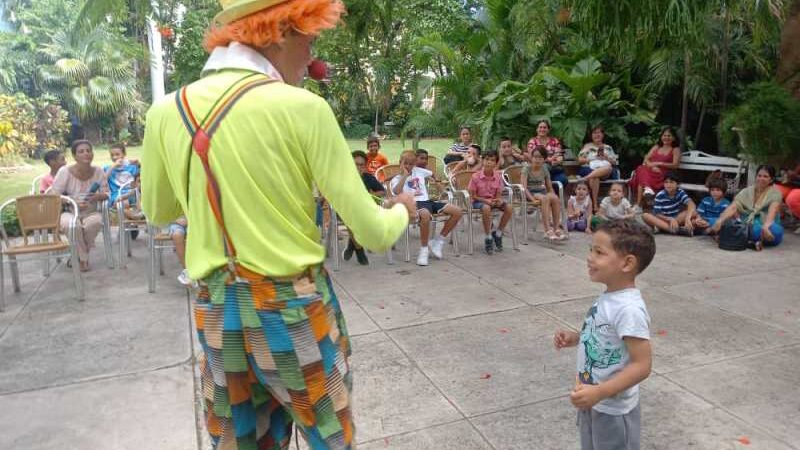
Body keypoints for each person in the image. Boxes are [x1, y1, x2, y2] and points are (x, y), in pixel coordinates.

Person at [141, 1, 416, 448]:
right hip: (292, 310)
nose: (313, 57)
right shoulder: (303, 108)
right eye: (310, 38)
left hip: (217, 311)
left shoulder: (165, 112)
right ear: (279, 31)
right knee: (330, 439)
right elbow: (373, 233)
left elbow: (158, 210)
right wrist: (403, 205)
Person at [554, 219, 654, 450]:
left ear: (627, 263)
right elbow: (605, 334)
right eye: (591, 250)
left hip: (612, 409)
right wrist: (577, 338)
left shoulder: (629, 309)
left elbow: (642, 365)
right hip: (592, 398)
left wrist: (600, 392)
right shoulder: (610, 296)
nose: (590, 257)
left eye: (599, 252)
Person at [391, 150, 462, 265]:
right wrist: (404, 175)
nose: (408, 166)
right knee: (425, 215)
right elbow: (397, 191)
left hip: (427, 201)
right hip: (414, 205)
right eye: (406, 163)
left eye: (411, 163)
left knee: (457, 211)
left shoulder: (419, 171)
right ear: (400, 163)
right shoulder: (397, 179)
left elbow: (432, 173)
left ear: (414, 164)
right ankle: (424, 250)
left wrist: (438, 184)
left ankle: (438, 241)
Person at [51, 139, 109, 272]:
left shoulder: (98, 171)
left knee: (94, 223)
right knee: (72, 225)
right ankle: (84, 259)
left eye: (88, 151)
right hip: (70, 211)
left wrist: (96, 196)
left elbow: (107, 193)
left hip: (91, 212)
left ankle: (78, 255)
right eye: (81, 151)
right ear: (74, 156)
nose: (86, 154)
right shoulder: (64, 171)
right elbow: (54, 196)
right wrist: (73, 202)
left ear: (93, 154)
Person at [709, 165, 785, 250]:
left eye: (765, 176)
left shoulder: (775, 193)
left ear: (771, 179)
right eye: (759, 176)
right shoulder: (747, 191)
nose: (761, 179)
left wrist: (766, 226)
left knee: (775, 231)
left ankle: (730, 236)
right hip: (745, 224)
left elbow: (773, 211)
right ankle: (749, 241)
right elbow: (733, 206)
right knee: (713, 221)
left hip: (764, 224)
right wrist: (720, 220)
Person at [343, 150, 386, 265]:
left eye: (361, 165)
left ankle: (352, 245)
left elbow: (382, 191)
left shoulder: (368, 178)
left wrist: (369, 195)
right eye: (355, 164)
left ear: (365, 166)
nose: (358, 167)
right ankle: (359, 251)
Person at [468, 150, 513, 254]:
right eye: (487, 159)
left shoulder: (497, 176)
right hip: (478, 201)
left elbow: (498, 193)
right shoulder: (475, 176)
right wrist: (486, 201)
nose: (489, 162)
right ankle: (488, 236)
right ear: (482, 161)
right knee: (486, 208)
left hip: (492, 201)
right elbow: (473, 196)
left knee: (509, 207)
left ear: (495, 163)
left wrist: (497, 200)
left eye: (492, 160)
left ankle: (498, 233)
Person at [521, 146, 566, 241]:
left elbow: (549, 187)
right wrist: (532, 200)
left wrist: (553, 196)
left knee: (555, 198)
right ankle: (547, 230)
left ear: (544, 159)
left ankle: (556, 228)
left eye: (540, 157)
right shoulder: (526, 169)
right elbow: (524, 188)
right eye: (535, 157)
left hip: (542, 191)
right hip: (530, 193)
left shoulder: (544, 168)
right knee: (544, 198)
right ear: (531, 157)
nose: (537, 160)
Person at [630, 127, 681, 206]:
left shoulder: (675, 149)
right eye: (664, 135)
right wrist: (651, 166)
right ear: (661, 137)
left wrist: (659, 163)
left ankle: (639, 205)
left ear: (674, 138)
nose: (666, 137)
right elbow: (646, 159)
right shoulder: (657, 147)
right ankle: (647, 189)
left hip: (663, 173)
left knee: (641, 176)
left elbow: (675, 165)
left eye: (669, 136)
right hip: (651, 171)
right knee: (641, 169)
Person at [578, 126, 620, 211]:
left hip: (606, 172)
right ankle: (595, 205)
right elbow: (580, 160)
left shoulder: (608, 147)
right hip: (589, 169)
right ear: (591, 135)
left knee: (608, 168)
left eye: (599, 133)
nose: (597, 135)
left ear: (603, 135)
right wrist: (592, 158)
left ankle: (587, 178)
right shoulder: (587, 146)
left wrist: (606, 157)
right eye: (594, 133)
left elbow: (614, 162)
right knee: (595, 177)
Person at [105, 143, 143, 220]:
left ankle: (133, 220)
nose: (114, 157)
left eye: (117, 154)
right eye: (112, 155)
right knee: (123, 203)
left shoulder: (132, 167)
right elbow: (103, 179)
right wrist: (113, 166)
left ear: (124, 154)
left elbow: (143, 178)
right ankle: (135, 218)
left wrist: (139, 165)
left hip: (134, 193)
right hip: (117, 194)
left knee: (140, 202)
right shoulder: (108, 168)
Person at [529, 120, 568, 189]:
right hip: (540, 169)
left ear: (548, 130)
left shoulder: (554, 141)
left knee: (563, 180)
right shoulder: (533, 142)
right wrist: (549, 160)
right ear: (537, 129)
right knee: (545, 167)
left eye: (545, 127)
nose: (542, 129)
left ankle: (556, 198)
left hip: (555, 168)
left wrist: (558, 160)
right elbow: (533, 157)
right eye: (540, 127)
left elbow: (559, 154)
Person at [775, 163, 800, 233]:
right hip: (795, 185)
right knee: (775, 192)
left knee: (792, 199)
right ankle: (780, 217)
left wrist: (796, 176)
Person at [169, 216, 191, 285]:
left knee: (194, 234)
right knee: (177, 235)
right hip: (175, 223)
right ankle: (186, 270)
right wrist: (176, 220)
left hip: (195, 221)